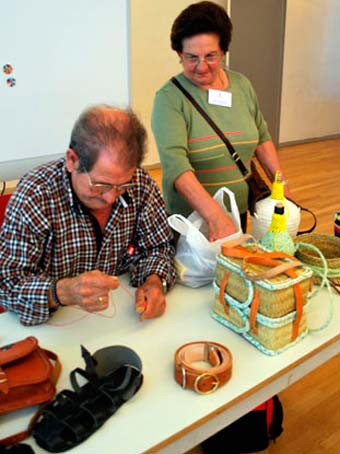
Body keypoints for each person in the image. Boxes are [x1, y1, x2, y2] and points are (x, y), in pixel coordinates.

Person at [0, 105, 176, 326]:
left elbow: (158, 247)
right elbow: (7, 284)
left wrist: (155, 280)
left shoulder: (140, 183)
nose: (111, 198)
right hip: (56, 328)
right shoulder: (36, 196)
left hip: (120, 318)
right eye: (100, 185)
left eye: (122, 186)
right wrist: (62, 292)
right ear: (72, 160)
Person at [152, 1, 293, 238]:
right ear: (178, 53)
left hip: (238, 211)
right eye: (191, 57)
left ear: (224, 51)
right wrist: (215, 216)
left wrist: (282, 188)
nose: (201, 67)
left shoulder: (241, 85)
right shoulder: (169, 98)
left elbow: (261, 138)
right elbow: (176, 167)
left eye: (211, 56)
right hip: (195, 222)